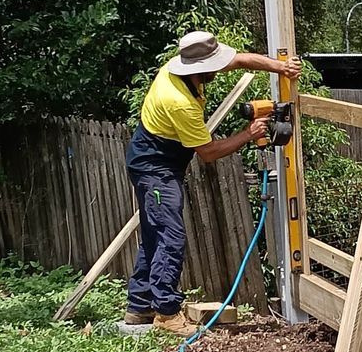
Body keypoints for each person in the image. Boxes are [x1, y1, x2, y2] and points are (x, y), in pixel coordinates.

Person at [123, 30, 300, 336]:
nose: (220, 70)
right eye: (215, 67)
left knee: (155, 232)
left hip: (158, 158)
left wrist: (279, 67)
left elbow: (242, 59)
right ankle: (166, 313)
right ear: (199, 68)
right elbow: (207, 153)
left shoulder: (187, 65)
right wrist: (247, 134)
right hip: (155, 166)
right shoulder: (178, 100)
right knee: (170, 236)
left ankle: (139, 307)